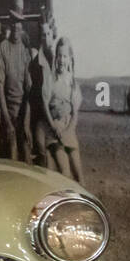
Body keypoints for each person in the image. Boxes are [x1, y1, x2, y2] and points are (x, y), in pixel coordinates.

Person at [45, 38, 83, 182]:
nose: (62, 60)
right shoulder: (51, 80)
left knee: (79, 175)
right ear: (56, 57)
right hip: (55, 132)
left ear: (70, 59)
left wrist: (68, 132)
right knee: (65, 171)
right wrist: (55, 127)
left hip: (68, 130)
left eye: (65, 56)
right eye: (59, 56)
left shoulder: (73, 83)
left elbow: (75, 114)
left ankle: (82, 202)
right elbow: (46, 108)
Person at [0, 14, 32, 162]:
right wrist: (8, 123)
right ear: (10, 23)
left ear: (22, 26)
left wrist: (26, 123)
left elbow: (28, 93)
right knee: (13, 150)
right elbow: (0, 88)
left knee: (27, 153)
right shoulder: (3, 47)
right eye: (14, 22)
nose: (17, 26)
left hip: (23, 113)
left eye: (20, 22)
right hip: (7, 113)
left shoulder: (25, 51)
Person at [27, 12, 58, 167]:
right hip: (40, 116)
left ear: (52, 36)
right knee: (42, 153)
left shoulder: (58, 60)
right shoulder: (35, 62)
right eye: (43, 35)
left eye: (48, 34)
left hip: (55, 115)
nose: (46, 38)